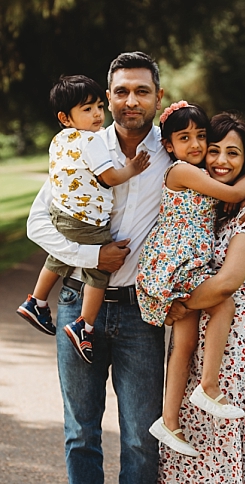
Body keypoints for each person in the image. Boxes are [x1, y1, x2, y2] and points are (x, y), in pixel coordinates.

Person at [25, 52, 245, 484]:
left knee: (142, 438)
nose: (131, 100)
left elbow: (226, 167)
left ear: (157, 96)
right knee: (80, 432)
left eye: (142, 91)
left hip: (138, 314)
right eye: (121, 91)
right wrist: (91, 253)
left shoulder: (171, 155)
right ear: (108, 97)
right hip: (78, 300)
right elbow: (38, 223)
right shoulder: (84, 148)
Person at [155, 112, 245, 484]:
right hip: (201, 330)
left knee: (223, 437)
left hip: (234, 339)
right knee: (192, 434)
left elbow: (228, 282)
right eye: (214, 151)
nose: (221, 161)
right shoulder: (213, 200)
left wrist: (177, 303)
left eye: (233, 153)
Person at [136, 102, 245, 457]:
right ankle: (208, 386)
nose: (195, 144)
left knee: (184, 345)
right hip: (176, 266)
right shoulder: (182, 171)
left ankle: (168, 420)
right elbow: (236, 193)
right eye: (185, 138)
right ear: (168, 145)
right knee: (222, 303)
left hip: (187, 266)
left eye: (200, 136)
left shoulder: (196, 172)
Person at [16, 75, 150, 364]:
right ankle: (84, 325)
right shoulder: (91, 140)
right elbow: (110, 177)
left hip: (63, 214)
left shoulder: (60, 140)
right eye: (87, 109)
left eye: (98, 107)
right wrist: (132, 168)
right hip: (86, 220)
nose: (97, 114)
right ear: (65, 117)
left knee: (57, 256)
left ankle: (36, 300)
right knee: (100, 270)